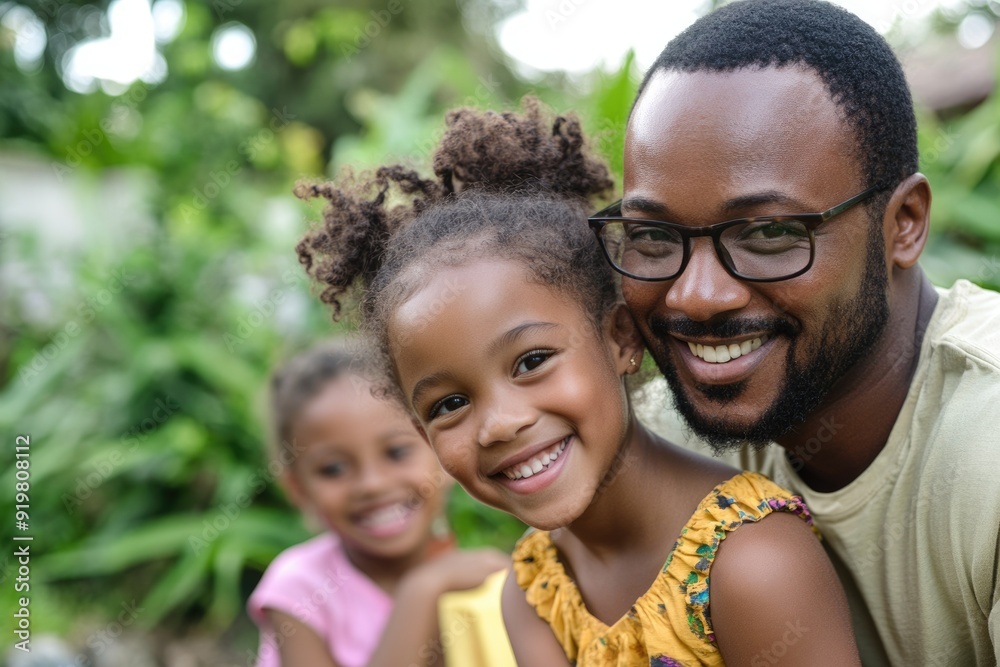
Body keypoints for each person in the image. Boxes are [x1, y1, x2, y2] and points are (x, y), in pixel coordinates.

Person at [294, 99, 863, 666]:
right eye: (450, 403)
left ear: (620, 338)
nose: (500, 422)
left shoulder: (749, 561)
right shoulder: (538, 589)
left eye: (531, 361)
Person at [593, 1, 1000, 664]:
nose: (697, 295)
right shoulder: (657, 442)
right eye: (653, 236)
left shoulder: (986, 447)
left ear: (904, 223)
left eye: (771, 233)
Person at [246, 340, 510, 667]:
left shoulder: (475, 575)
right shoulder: (299, 590)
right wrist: (422, 590)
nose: (372, 484)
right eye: (333, 469)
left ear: (443, 452)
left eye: (397, 452)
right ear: (299, 489)